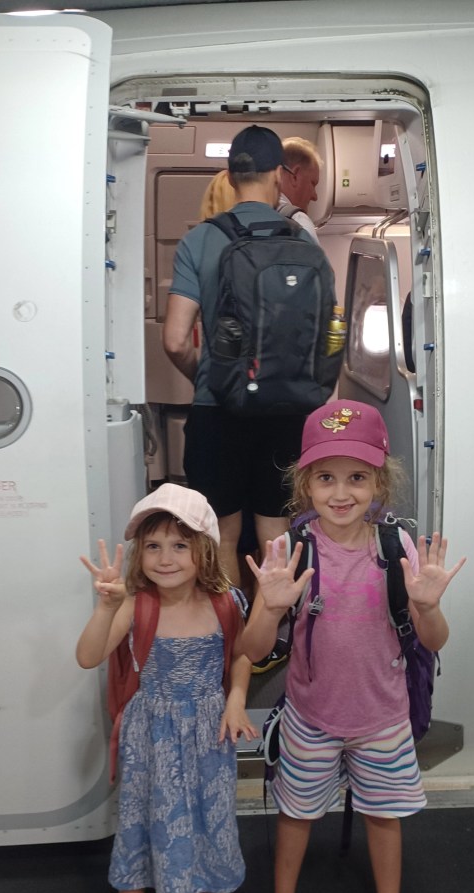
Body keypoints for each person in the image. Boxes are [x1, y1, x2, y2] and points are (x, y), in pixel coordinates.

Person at [240, 400, 466, 893]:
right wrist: (269, 606)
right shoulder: (291, 552)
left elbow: (433, 640)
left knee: (384, 817)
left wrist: (428, 605)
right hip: (310, 717)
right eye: (325, 477)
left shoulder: (397, 550)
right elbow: (251, 648)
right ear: (305, 484)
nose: (341, 493)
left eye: (357, 477)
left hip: (383, 719)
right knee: (295, 814)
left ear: (379, 482)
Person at [76, 483, 258, 893]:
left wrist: (237, 698)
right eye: (153, 545)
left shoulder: (225, 602)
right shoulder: (136, 605)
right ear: (140, 553)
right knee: (140, 825)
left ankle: (207, 889)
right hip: (150, 740)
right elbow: (89, 657)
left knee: (209, 815)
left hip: (208, 735)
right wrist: (105, 608)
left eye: (179, 545)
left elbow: (242, 654)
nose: (165, 557)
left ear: (203, 548)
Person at [163, 125, 330, 589]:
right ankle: (273, 640)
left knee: (222, 535)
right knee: (276, 531)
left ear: (231, 175)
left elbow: (176, 340)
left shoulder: (199, 241)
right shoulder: (303, 239)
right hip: (286, 408)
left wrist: (211, 377)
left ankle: (236, 644)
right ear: (279, 173)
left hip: (219, 409)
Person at [278, 136, 322, 243]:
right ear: (295, 176)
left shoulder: (251, 214)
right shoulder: (298, 222)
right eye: (313, 183)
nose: (314, 196)